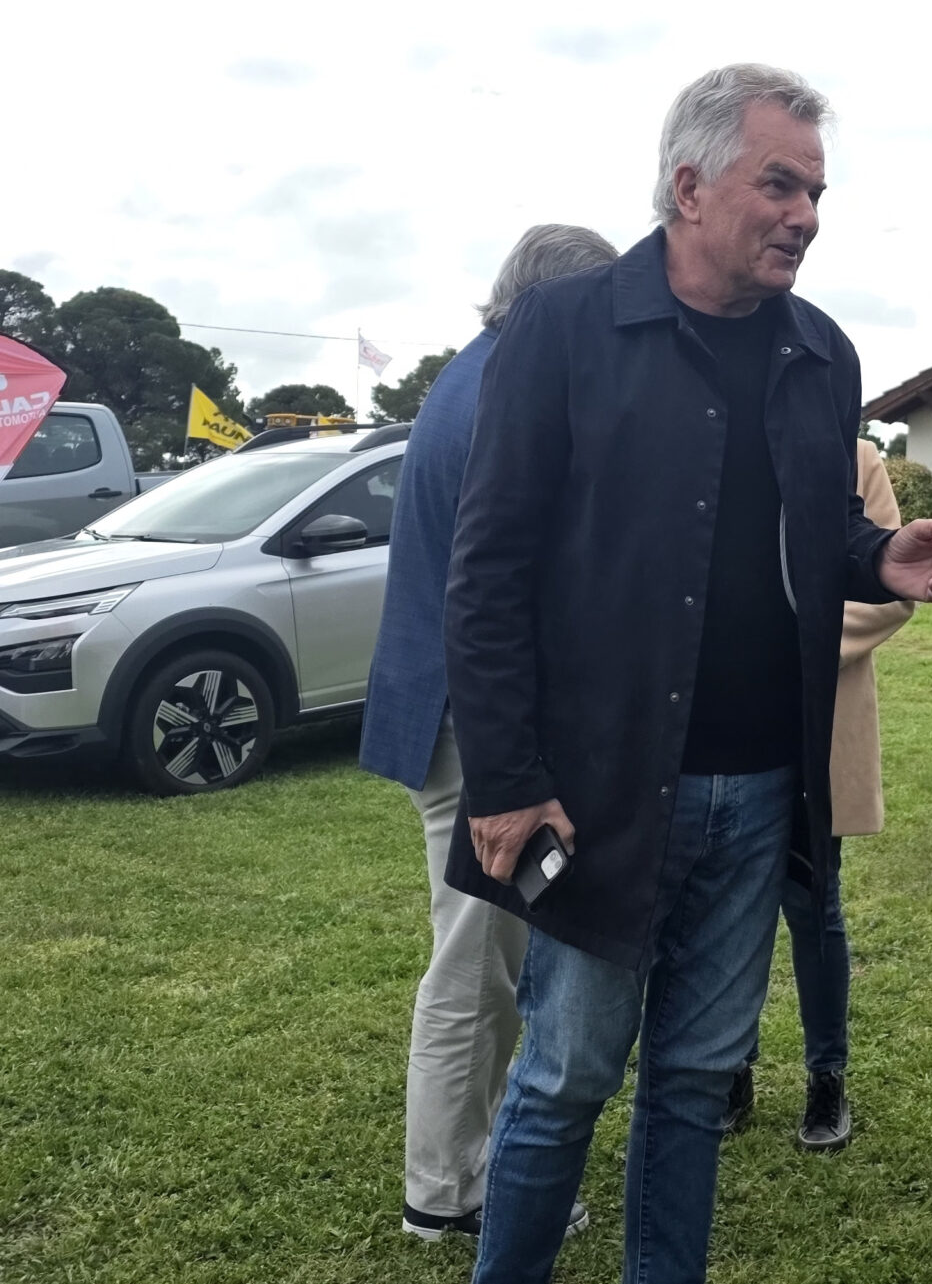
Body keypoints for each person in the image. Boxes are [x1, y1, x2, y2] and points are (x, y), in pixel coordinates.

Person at [443, 64, 932, 1284]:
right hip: (602, 792)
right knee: (565, 1077)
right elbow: (487, 574)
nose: (805, 215)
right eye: (778, 185)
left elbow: (808, 529)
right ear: (688, 187)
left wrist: (875, 554)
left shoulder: (820, 351)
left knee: (691, 1083)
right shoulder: (562, 331)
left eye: (816, 192)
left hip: (763, 792)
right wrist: (507, 780)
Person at [362, 223, 620, 1244]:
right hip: (473, 720)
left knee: (479, 952)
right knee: (475, 962)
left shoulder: (468, 372)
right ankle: (448, 1187)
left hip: (445, 706)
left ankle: (464, 1165)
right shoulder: (506, 389)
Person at [723, 438, 915, 1151]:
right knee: (727, 911)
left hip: (818, 720)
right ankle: (731, 1066)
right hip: (731, 724)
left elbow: (892, 592)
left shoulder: (855, 457)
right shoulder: (721, 447)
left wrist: (793, 644)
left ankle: (826, 1076)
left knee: (813, 906)